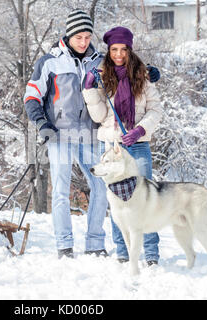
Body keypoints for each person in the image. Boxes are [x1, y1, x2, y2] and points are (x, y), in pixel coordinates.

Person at [23, 9, 108, 259]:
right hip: (59, 135)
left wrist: (147, 72)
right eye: (79, 37)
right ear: (69, 35)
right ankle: (64, 245)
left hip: (90, 134)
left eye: (87, 36)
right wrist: (42, 124)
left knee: (100, 186)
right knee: (61, 189)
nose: (83, 42)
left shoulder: (99, 61)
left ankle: (95, 244)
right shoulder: (49, 62)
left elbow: (127, 72)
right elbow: (31, 97)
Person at [82, 26, 162, 265]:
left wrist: (140, 130)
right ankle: (123, 253)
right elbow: (99, 117)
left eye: (123, 49)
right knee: (117, 202)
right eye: (114, 49)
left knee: (145, 199)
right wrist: (89, 90)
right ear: (109, 50)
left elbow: (156, 110)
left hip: (138, 146)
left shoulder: (143, 76)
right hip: (111, 146)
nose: (118, 54)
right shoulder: (102, 76)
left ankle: (150, 255)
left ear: (130, 50)